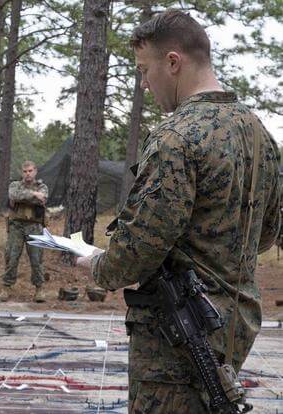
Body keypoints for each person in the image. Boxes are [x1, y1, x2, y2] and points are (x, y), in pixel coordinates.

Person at [76, 10, 281, 413]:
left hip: (180, 336)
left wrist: (95, 265)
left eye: (144, 68)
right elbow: (269, 232)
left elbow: (136, 253)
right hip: (234, 326)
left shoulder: (176, 138)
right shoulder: (261, 136)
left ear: (173, 62)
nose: (143, 82)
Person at [0, 161, 48, 303]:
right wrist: (33, 194)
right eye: (25, 171)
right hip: (17, 226)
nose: (28, 174)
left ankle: (39, 289)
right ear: (22, 173)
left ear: (35, 171)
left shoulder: (42, 187)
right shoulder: (15, 185)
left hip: (35, 227)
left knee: (36, 259)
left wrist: (31, 197)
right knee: (11, 257)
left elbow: (42, 199)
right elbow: (14, 196)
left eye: (30, 171)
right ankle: (6, 286)